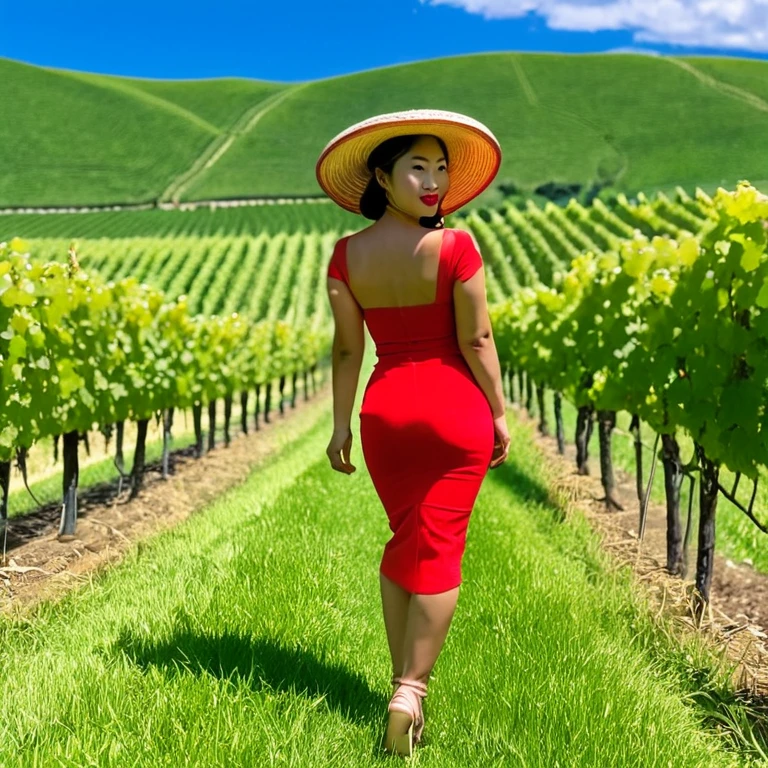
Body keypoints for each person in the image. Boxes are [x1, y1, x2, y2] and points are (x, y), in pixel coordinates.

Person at [316, 109, 510, 757]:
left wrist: (341, 424)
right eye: (417, 168)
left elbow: (347, 353)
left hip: (386, 412)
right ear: (383, 175)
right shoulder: (456, 247)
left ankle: (400, 683)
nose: (433, 181)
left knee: (409, 539)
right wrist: (501, 413)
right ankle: (410, 690)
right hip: (454, 409)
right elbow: (476, 338)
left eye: (441, 168)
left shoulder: (347, 257)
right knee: (439, 547)